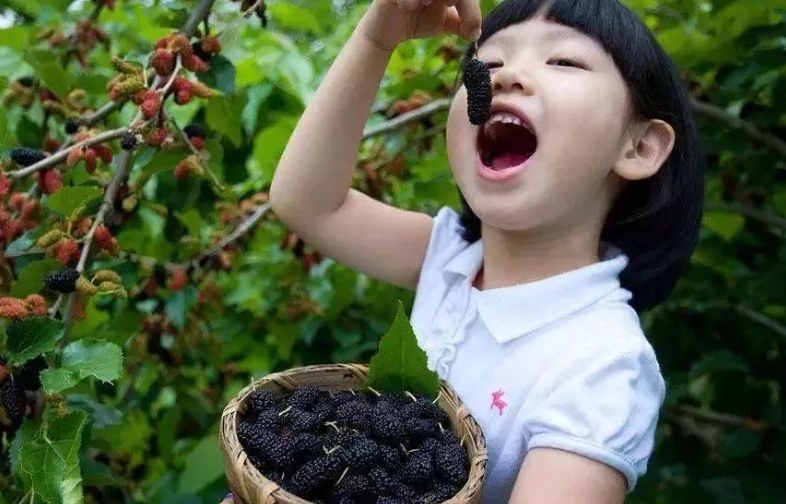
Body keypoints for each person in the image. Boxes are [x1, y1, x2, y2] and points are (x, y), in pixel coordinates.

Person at [222, 0, 704, 502]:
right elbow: (307, 202)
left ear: (639, 147)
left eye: (563, 61)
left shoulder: (602, 363)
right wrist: (375, 40)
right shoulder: (451, 257)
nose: (508, 75)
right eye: (488, 63)